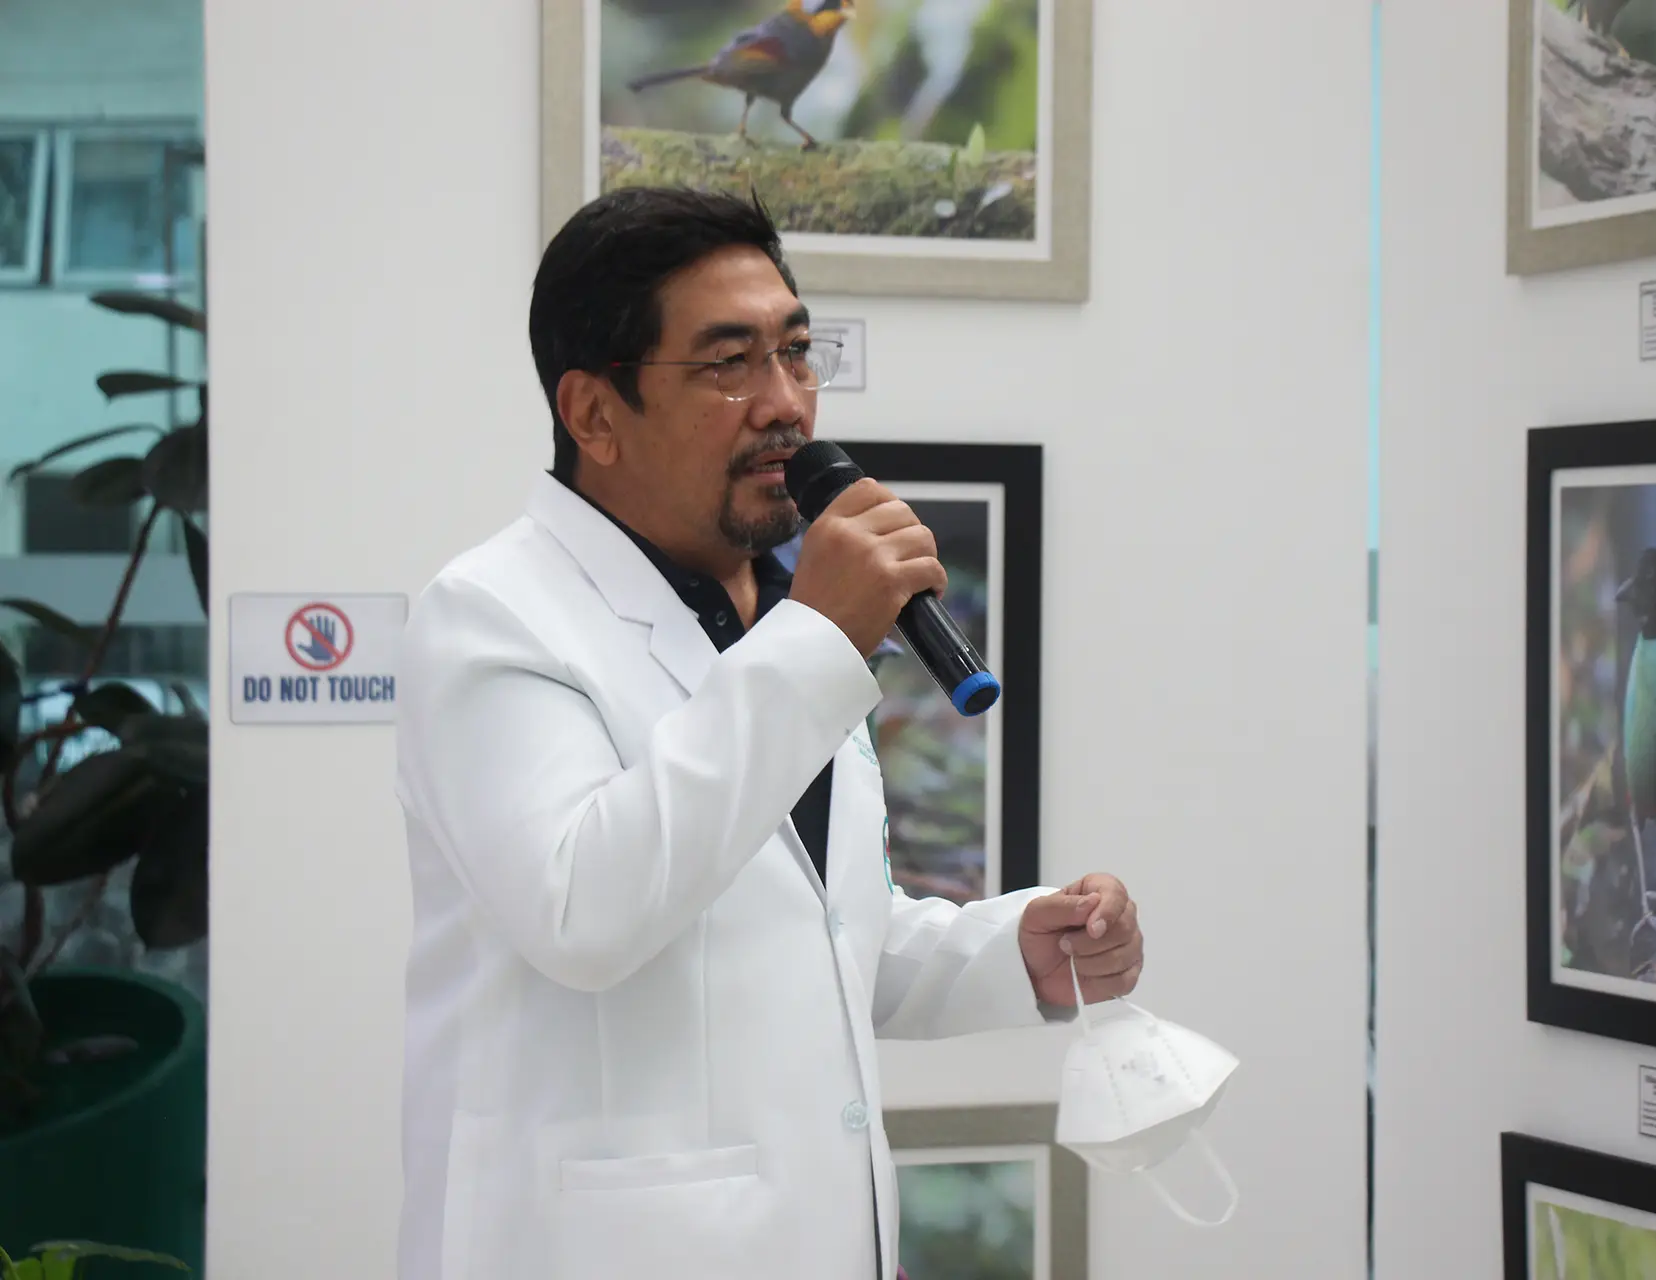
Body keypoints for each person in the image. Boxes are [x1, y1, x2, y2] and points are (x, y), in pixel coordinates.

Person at [391, 185, 1146, 1280]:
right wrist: (818, 638)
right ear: (594, 414)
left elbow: (810, 930)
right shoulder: (491, 615)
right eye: (728, 363)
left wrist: (1012, 949)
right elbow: (583, 910)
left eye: (796, 352)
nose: (785, 403)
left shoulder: (779, 611)